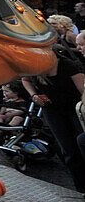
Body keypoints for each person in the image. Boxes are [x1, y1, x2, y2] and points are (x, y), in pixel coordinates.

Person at [21, 45, 85, 192]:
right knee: (68, 149)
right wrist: (34, 95)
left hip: (73, 107)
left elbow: (83, 90)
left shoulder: (67, 65)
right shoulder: (34, 69)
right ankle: (81, 187)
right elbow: (25, 79)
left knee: (81, 142)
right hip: (52, 110)